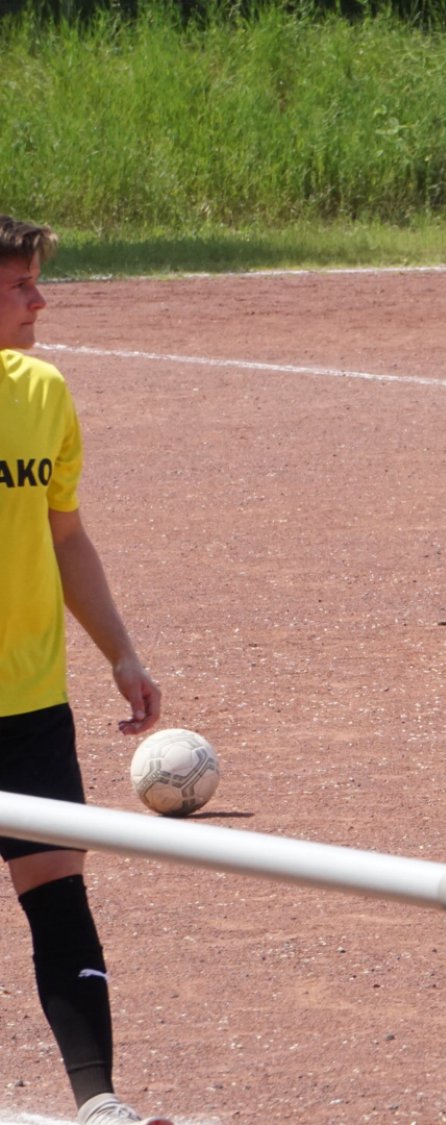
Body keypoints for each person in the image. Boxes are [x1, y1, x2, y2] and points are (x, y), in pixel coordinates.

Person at [0, 216, 174, 1125]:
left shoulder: (43, 391)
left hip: (30, 699)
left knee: (59, 897)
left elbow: (64, 535)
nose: (41, 299)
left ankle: (98, 1100)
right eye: (19, 284)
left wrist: (121, 652)